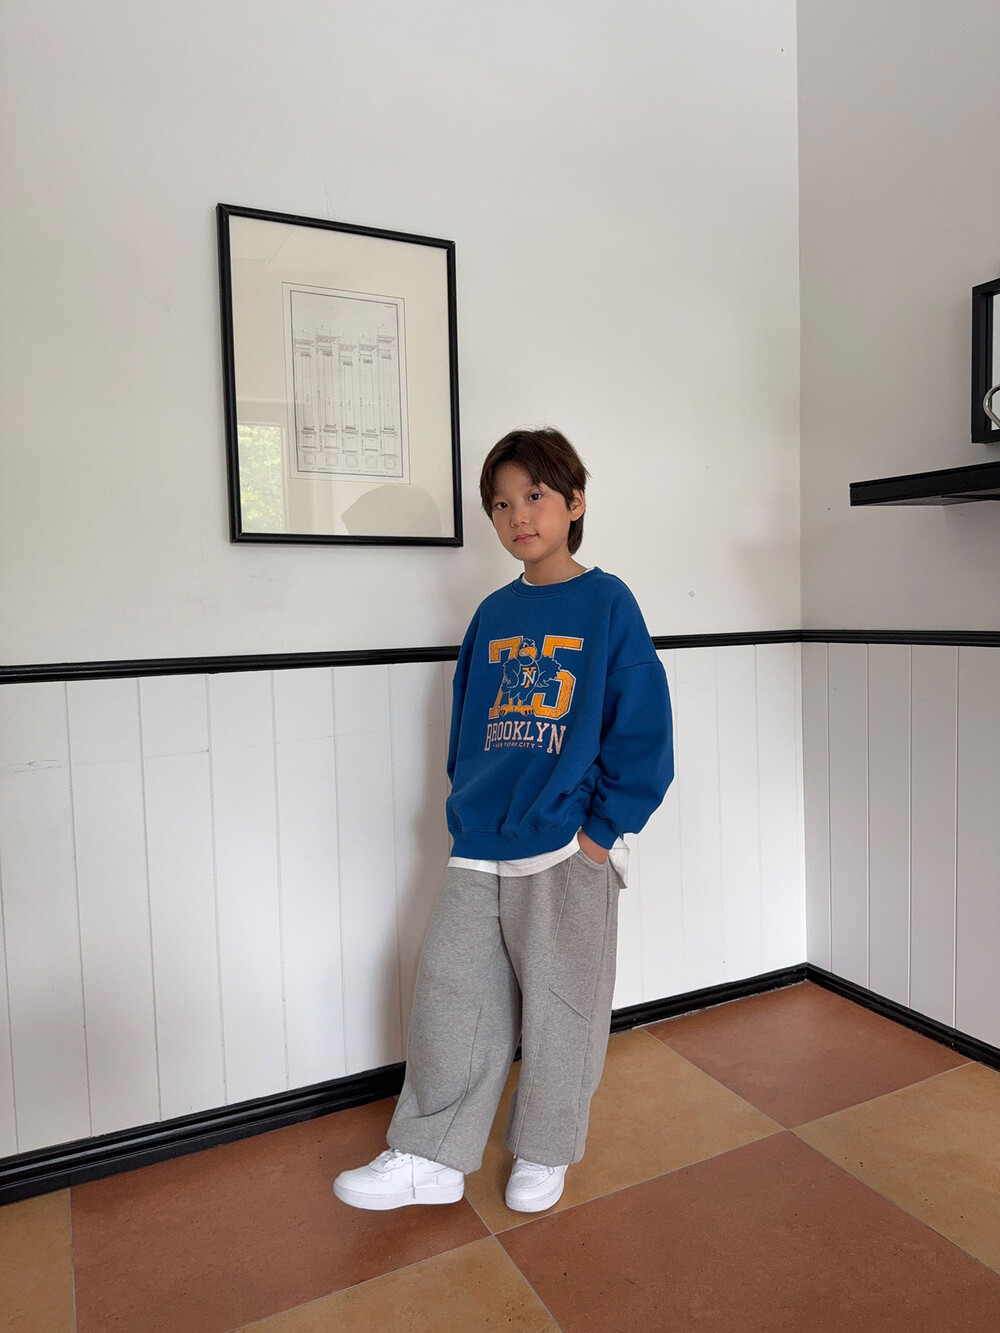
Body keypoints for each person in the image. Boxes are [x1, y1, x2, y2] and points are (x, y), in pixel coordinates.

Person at [333, 427, 673, 1214]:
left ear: (574, 502)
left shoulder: (609, 604)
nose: (518, 515)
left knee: (562, 1005)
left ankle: (544, 1150)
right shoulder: (492, 613)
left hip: (566, 844)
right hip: (482, 838)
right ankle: (431, 1154)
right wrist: (470, 807)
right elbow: (468, 728)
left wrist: (599, 835)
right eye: (501, 503)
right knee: (451, 990)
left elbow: (643, 732)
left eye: (535, 495)